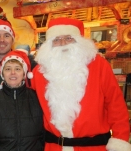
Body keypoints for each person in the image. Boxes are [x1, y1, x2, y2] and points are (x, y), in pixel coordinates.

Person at [31, 17, 131, 150]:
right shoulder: (39, 72)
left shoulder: (99, 66)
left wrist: (120, 139)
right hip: (54, 147)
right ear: (48, 44)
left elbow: (116, 106)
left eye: (68, 38)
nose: (63, 43)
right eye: (56, 39)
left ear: (79, 41)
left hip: (93, 147)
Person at [0, 50, 44, 151]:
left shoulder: (36, 98)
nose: (13, 73)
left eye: (17, 69)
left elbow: (44, 135)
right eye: (8, 69)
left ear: (24, 73)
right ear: (2, 73)